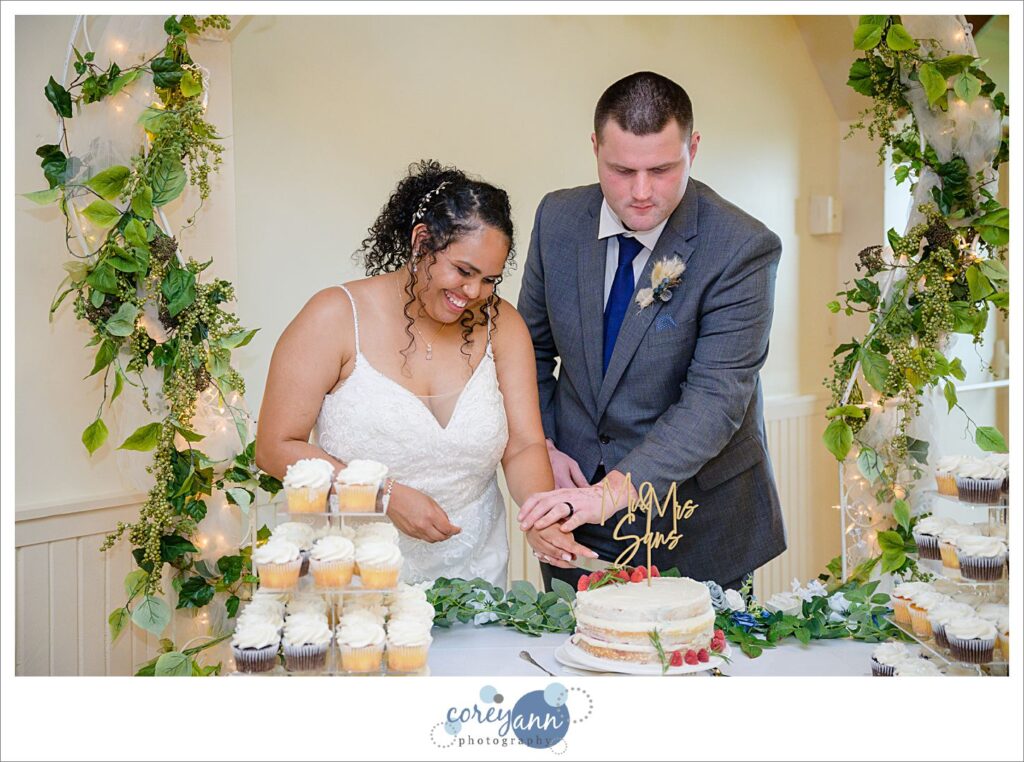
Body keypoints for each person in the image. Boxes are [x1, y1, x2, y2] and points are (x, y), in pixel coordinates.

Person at [256, 160, 594, 587]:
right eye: (463, 271)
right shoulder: (335, 316)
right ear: (421, 243)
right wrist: (383, 495)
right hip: (357, 578)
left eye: (490, 279)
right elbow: (273, 447)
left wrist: (539, 514)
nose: (473, 293)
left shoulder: (503, 325)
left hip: (475, 574)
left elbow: (524, 444)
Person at [516, 72, 786, 592]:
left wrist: (610, 493)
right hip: (576, 512)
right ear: (595, 147)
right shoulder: (558, 218)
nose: (641, 193)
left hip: (696, 520)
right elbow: (529, 351)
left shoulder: (742, 247)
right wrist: (542, 445)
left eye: (662, 169)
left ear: (694, 148)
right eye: (621, 170)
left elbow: (714, 400)